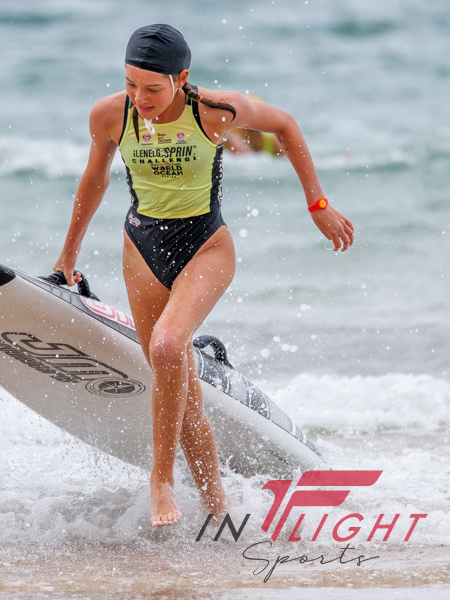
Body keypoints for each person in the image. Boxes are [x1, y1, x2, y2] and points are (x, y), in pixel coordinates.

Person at [53, 24, 353, 527]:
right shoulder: (110, 115)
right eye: (130, 84)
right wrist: (67, 256)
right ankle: (217, 507)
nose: (140, 98)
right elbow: (94, 179)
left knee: (168, 347)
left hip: (206, 246)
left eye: (153, 88)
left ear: (181, 78)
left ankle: (161, 481)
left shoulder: (214, 111)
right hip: (141, 248)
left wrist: (318, 205)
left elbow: (285, 125)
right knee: (181, 386)